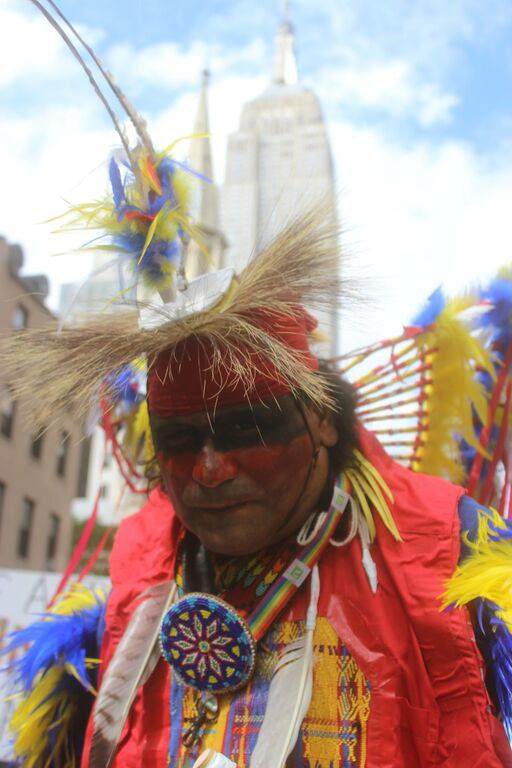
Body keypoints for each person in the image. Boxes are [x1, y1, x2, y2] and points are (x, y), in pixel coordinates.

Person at [3, 4, 512, 767]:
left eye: (246, 428)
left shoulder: (450, 549)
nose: (209, 468)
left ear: (324, 420)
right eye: (181, 440)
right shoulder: (138, 567)